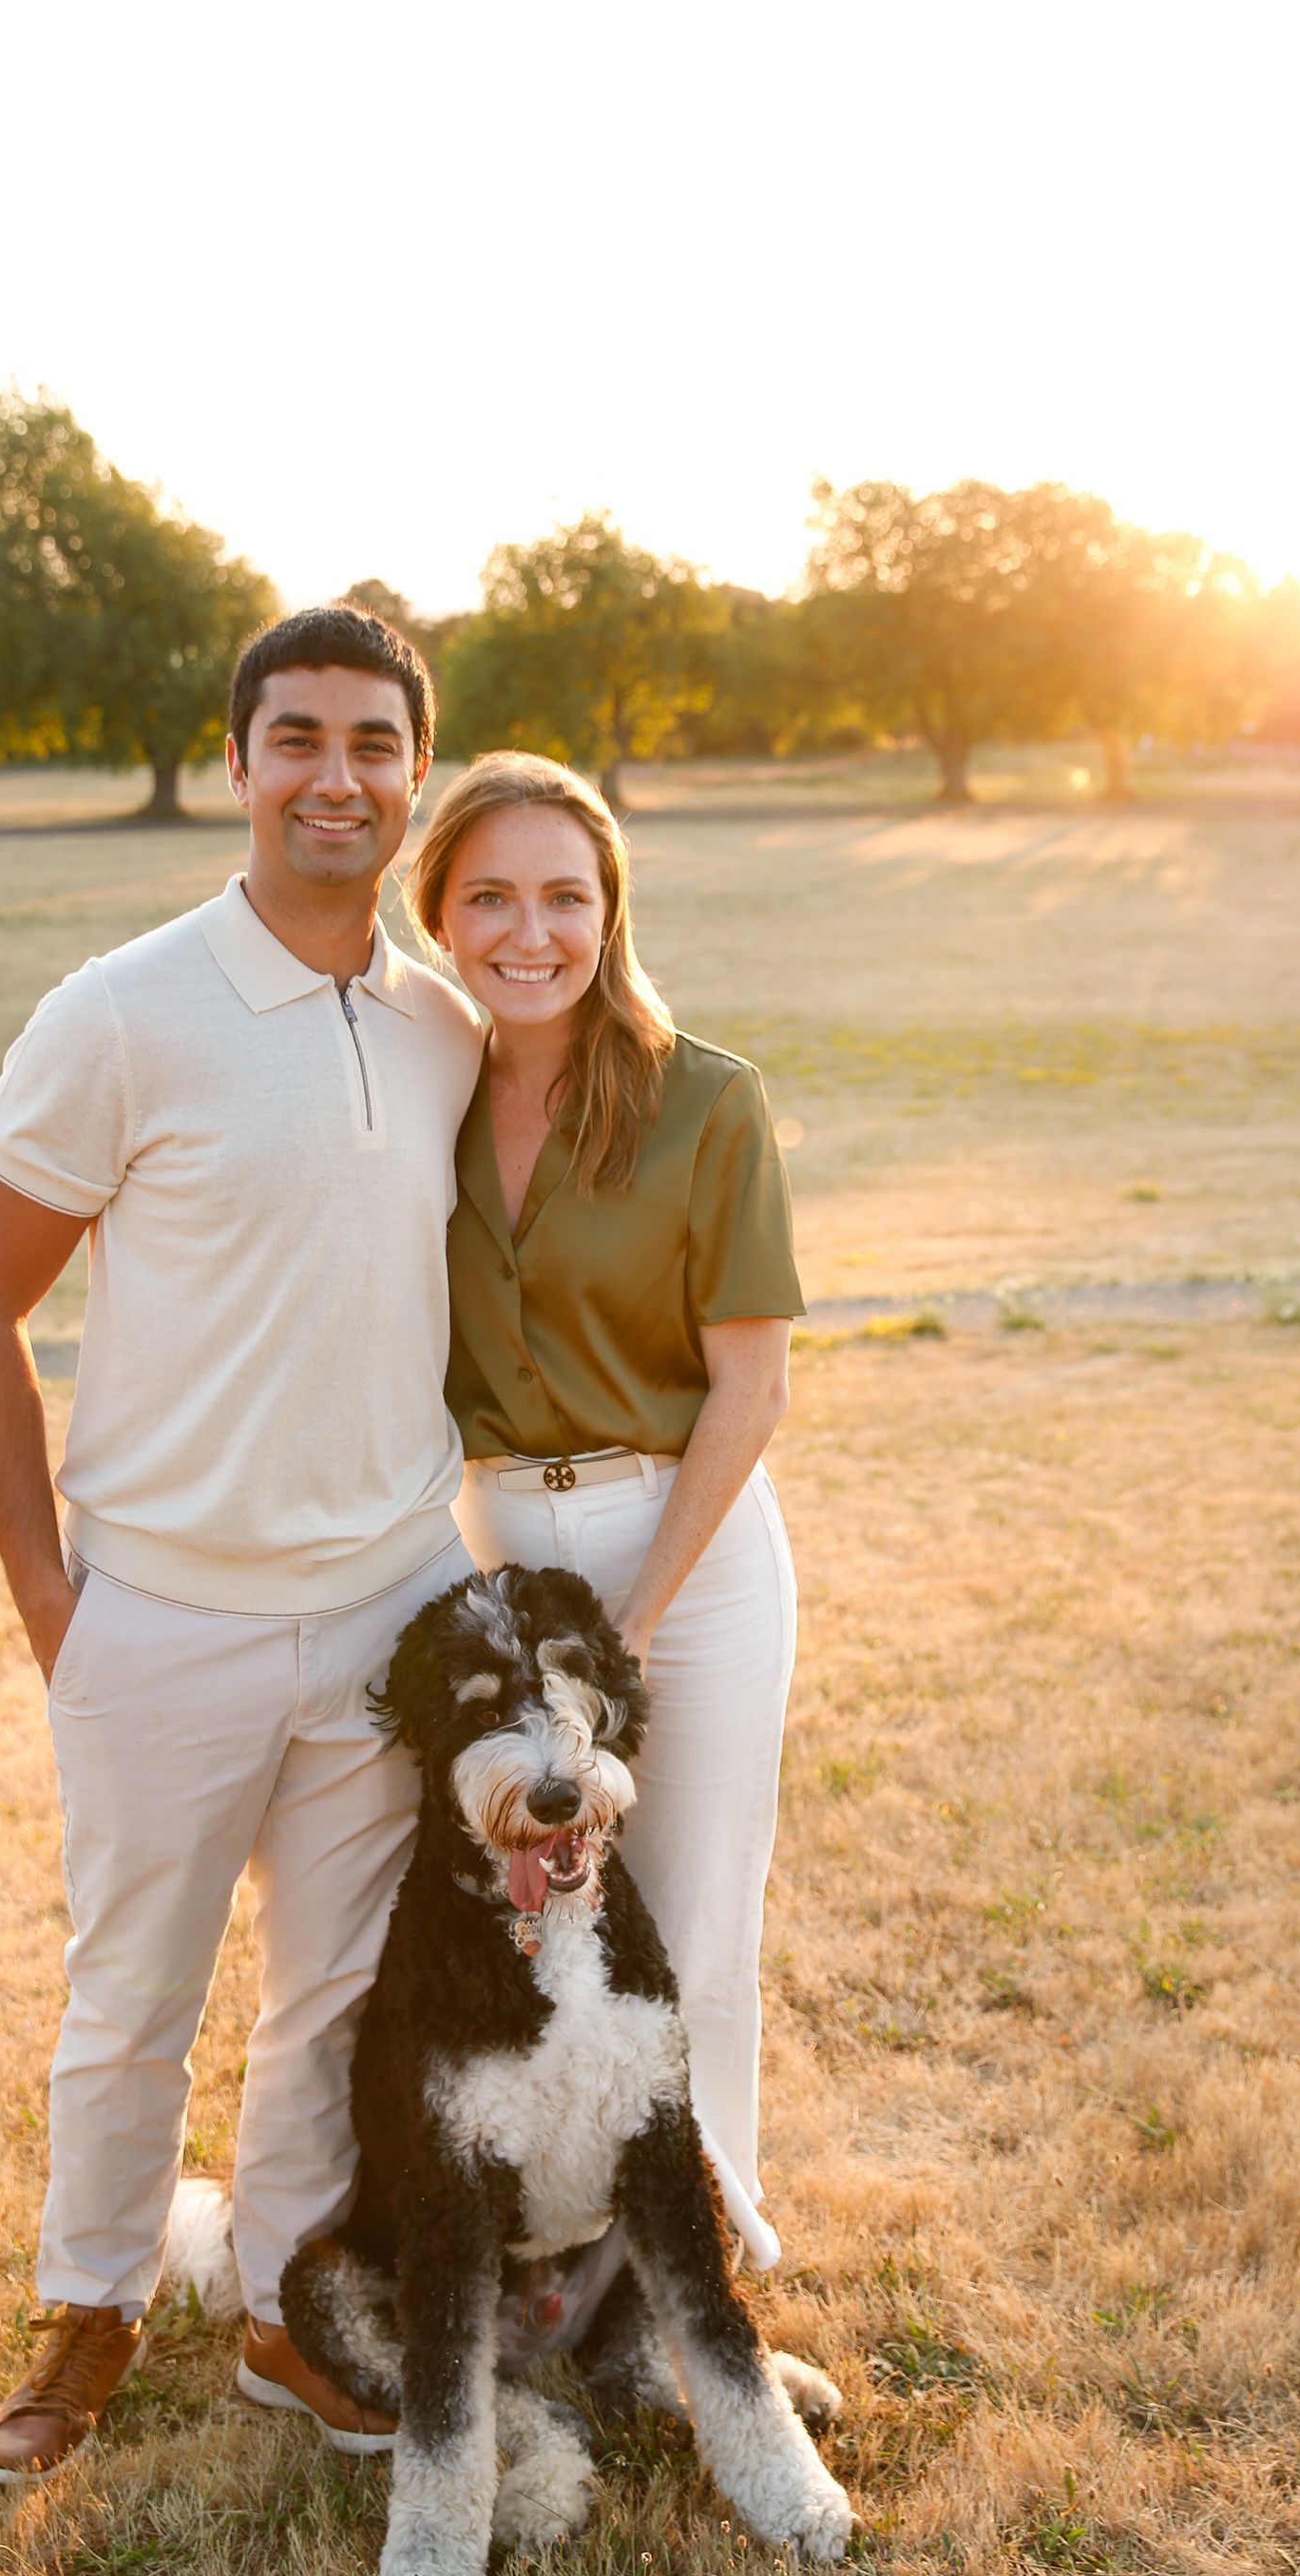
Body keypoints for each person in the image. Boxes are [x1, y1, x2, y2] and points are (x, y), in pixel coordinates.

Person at [0, 606, 482, 2481]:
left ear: (419, 770)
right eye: (301, 739)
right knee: (131, 1993)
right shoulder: (118, 1013)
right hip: (160, 1614)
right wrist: (45, 1597)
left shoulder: (447, 1024)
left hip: (392, 1599)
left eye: (375, 744)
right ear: (238, 760)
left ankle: (281, 2305)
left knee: (338, 1992)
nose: (339, 776)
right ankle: (87, 2309)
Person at [408, 750, 803, 2280]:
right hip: (502, 1546)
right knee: (532, 1922)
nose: (531, 931)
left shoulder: (708, 1100)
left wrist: (629, 1629)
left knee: (691, 1913)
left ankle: (696, 2250)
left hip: (683, 1555)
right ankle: (555, 2231)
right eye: (491, 895)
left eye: (565, 896)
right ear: (436, 911)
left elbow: (749, 1393)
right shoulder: (414, 1099)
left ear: (609, 907)